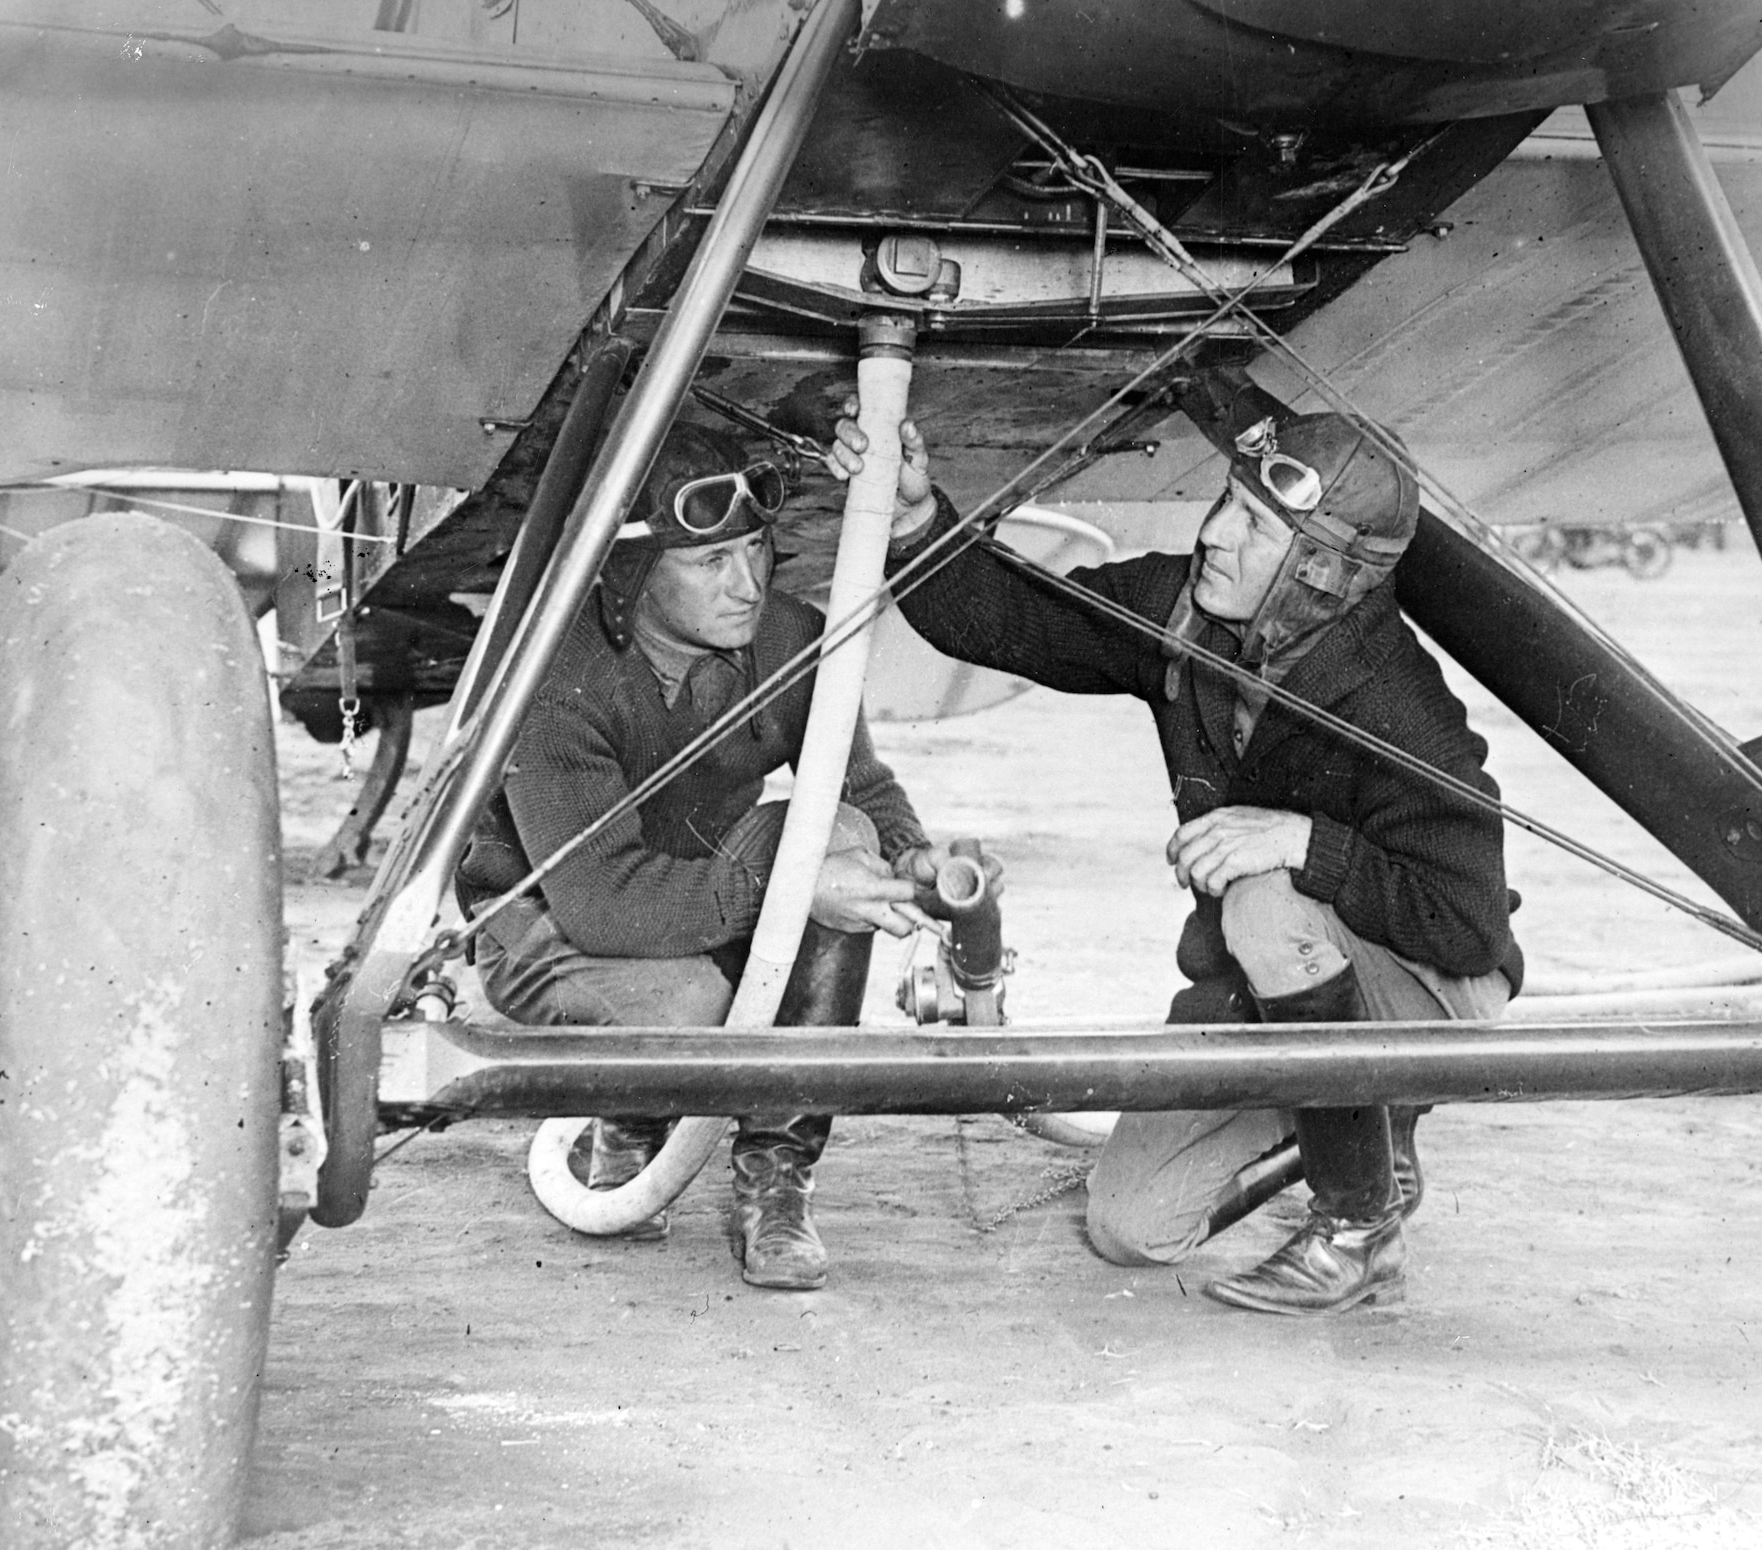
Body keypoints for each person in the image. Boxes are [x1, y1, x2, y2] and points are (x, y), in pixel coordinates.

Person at [828, 375, 1521, 1315]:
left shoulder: (1400, 704)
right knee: (1133, 1227)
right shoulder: (1186, 610)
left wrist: (1306, 844)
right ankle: (1365, 1131)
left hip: (1427, 987)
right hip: (1288, 982)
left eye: (1254, 527)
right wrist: (915, 520)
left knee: (1265, 895)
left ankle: (1356, 1224)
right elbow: (1012, 620)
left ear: (1322, 572)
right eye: (1226, 504)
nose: (1213, 536)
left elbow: (1469, 928)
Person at [457, 421, 974, 1293]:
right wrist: (799, 876)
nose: (748, 585)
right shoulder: (558, 676)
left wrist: (910, 858)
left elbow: (858, 782)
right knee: (698, 990)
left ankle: (777, 1174)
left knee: (833, 832)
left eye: (756, 550)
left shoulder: (788, 639)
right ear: (631, 572)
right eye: (709, 563)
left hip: (707, 900)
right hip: (552, 924)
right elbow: (602, 903)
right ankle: (627, 1119)